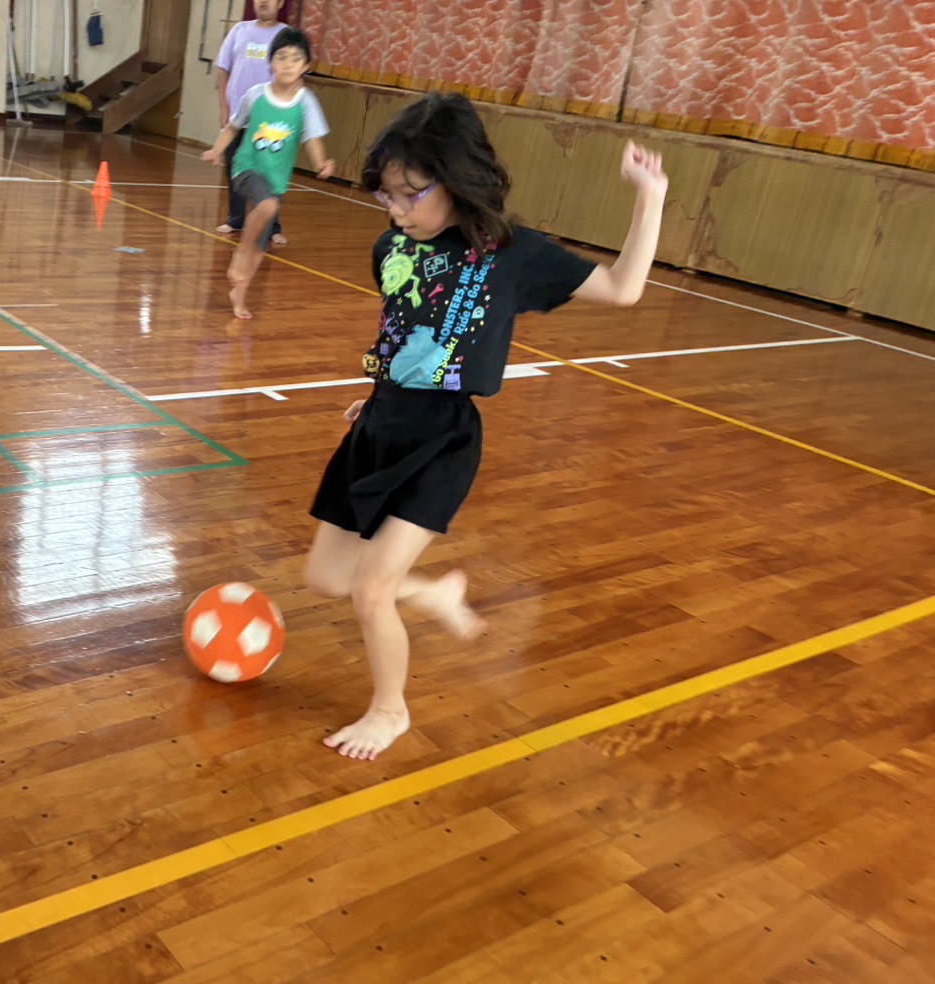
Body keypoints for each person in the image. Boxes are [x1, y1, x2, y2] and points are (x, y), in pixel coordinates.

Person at [304, 92, 668, 760]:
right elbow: (405, 333)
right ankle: (434, 594)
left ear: (455, 181)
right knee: (327, 578)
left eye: (410, 194)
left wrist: (650, 197)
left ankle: (390, 711)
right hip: (380, 423)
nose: (396, 209)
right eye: (386, 194)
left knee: (370, 589)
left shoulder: (510, 255)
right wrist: (380, 392)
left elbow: (623, 289)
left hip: (442, 439)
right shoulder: (391, 247)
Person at [202, 27, 335, 320]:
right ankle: (240, 252)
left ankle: (239, 294)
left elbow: (313, 138)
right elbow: (233, 127)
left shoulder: (306, 102)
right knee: (267, 206)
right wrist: (216, 150)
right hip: (246, 167)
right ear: (271, 62)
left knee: (261, 246)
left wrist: (320, 163)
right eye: (281, 57)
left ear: (306, 66)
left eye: (295, 59)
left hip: (276, 179)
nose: (287, 64)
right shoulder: (256, 95)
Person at [213, 0, 289, 246]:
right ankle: (237, 219)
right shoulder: (239, 31)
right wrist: (225, 108)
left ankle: (273, 226)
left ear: (280, 3)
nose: (263, 2)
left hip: (271, 120)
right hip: (238, 117)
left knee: (270, 174)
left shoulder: (286, 35)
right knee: (235, 169)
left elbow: (295, 77)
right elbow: (223, 70)